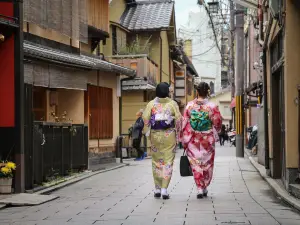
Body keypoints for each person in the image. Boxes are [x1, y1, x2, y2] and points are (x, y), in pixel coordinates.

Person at [181, 82, 222, 199]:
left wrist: (185, 139)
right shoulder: (212, 106)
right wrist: (216, 130)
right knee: (207, 163)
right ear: (207, 92)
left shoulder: (189, 106)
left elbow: (184, 122)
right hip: (207, 140)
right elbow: (217, 122)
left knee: (196, 164)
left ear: (197, 92)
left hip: (193, 138)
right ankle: (204, 186)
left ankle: (199, 187)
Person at [143, 82, 182, 200]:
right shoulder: (172, 104)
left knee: (156, 161)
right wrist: (177, 129)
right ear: (167, 92)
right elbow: (179, 119)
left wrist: (148, 131)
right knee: (168, 161)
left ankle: (157, 188)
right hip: (169, 134)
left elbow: (145, 119)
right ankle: (164, 189)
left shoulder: (151, 104)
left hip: (155, 135)